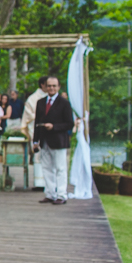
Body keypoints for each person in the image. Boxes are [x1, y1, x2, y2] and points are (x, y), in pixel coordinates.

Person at [33, 76, 75, 205]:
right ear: (45, 87)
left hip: (59, 141)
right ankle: (50, 194)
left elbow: (70, 124)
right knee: (46, 168)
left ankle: (61, 195)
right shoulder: (40, 102)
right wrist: (35, 141)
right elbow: (37, 123)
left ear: (58, 87)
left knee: (60, 169)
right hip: (44, 141)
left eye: (54, 86)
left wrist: (54, 127)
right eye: (49, 86)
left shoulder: (64, 103)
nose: (51, 88)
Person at [22, 76, 50, 188]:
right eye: (47, 85)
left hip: (50, 130)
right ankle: (39, 182)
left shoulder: (51, 97)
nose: (49, 87)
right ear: (42, 85)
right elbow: (29, 114)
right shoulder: (33, 98)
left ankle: (50, 182)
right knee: (38, 154)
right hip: (37, 128)